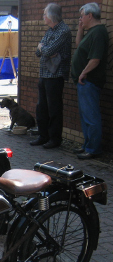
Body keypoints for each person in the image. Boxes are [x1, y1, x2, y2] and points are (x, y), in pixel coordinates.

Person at [30, 3, 72, 149]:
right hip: (44, 74)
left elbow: (46, 51)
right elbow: (39, 51)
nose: (43, 17)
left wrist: (44, 48)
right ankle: (43, 136)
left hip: (55, 75)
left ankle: (55, 139)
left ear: (51, 16)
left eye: (44, 14)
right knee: (41, 107)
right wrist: (44, 48)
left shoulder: (64, 31)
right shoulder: (50, 31)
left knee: (54, 108)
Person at [71, 2, 109, 159]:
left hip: (90, 81)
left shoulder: (99, 32)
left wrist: (83, 73)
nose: (80, 19)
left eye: (82, 16)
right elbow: (80, 46)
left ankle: (93, 149)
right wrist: (80, 30)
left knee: (91, 116)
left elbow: (95, 59)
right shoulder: (91, 32)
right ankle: (87, 145)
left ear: (90, 15)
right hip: (84, 82)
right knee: (85, 115)